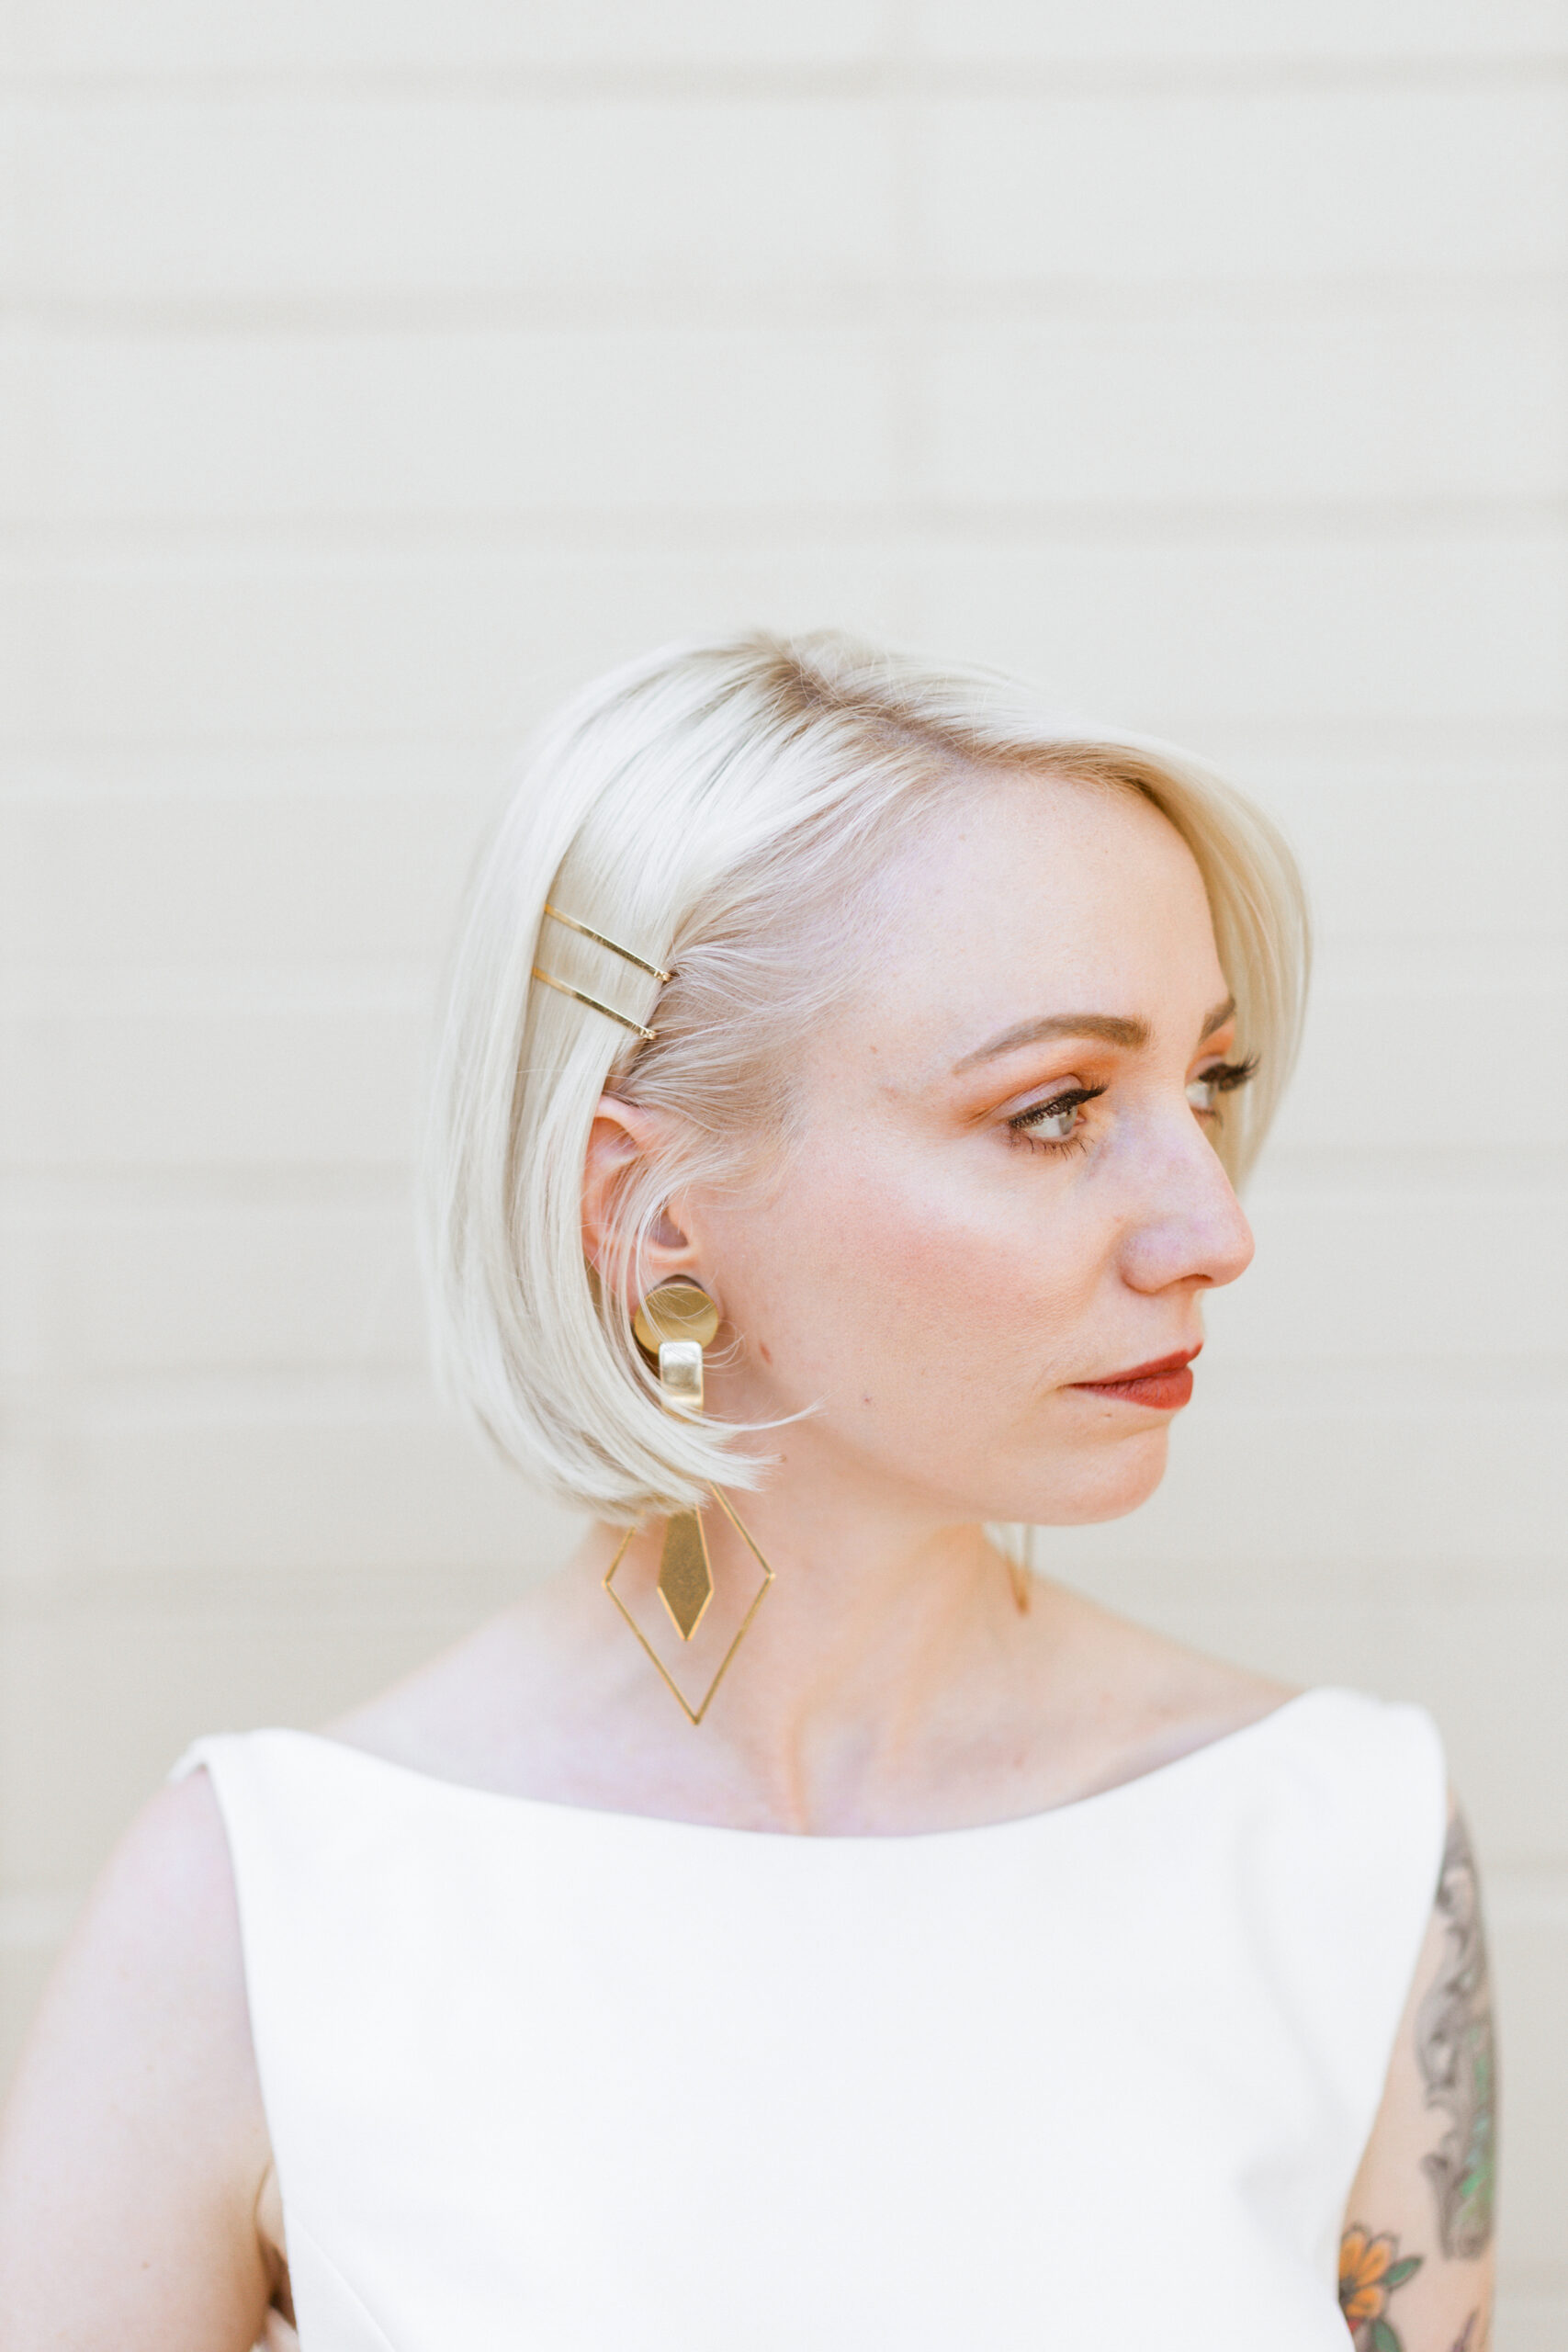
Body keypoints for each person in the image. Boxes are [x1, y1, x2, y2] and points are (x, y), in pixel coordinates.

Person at [0, 635, 1495, 2350]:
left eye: (1208, 1083)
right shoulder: (266, 1907)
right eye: (1056, 1108)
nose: (1213, 1228)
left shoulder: (1336, 1844)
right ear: (651, 1209)